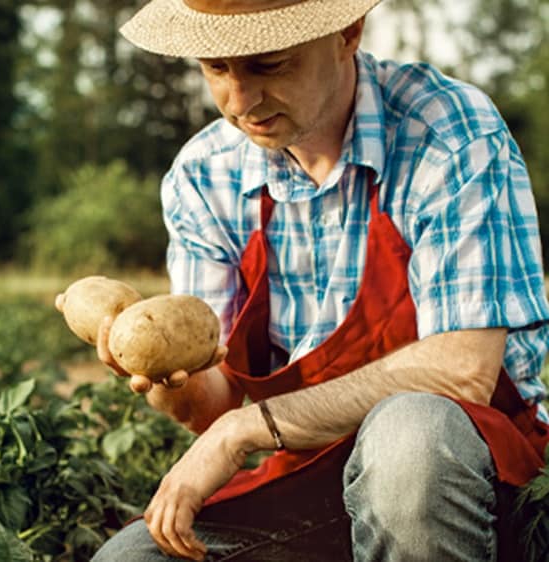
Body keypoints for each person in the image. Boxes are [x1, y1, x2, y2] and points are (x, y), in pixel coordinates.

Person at [90, 0, 549, 560]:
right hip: (310, 479)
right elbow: (212, 404)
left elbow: (462, 371)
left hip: (470, 479)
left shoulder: (448, 133)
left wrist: (248, 429)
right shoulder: (202, 175)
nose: (240, 102)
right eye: (216, 68)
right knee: (129, 557)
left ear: (348, 33)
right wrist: (161, 369)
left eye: (270, 65)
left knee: (410, 435)